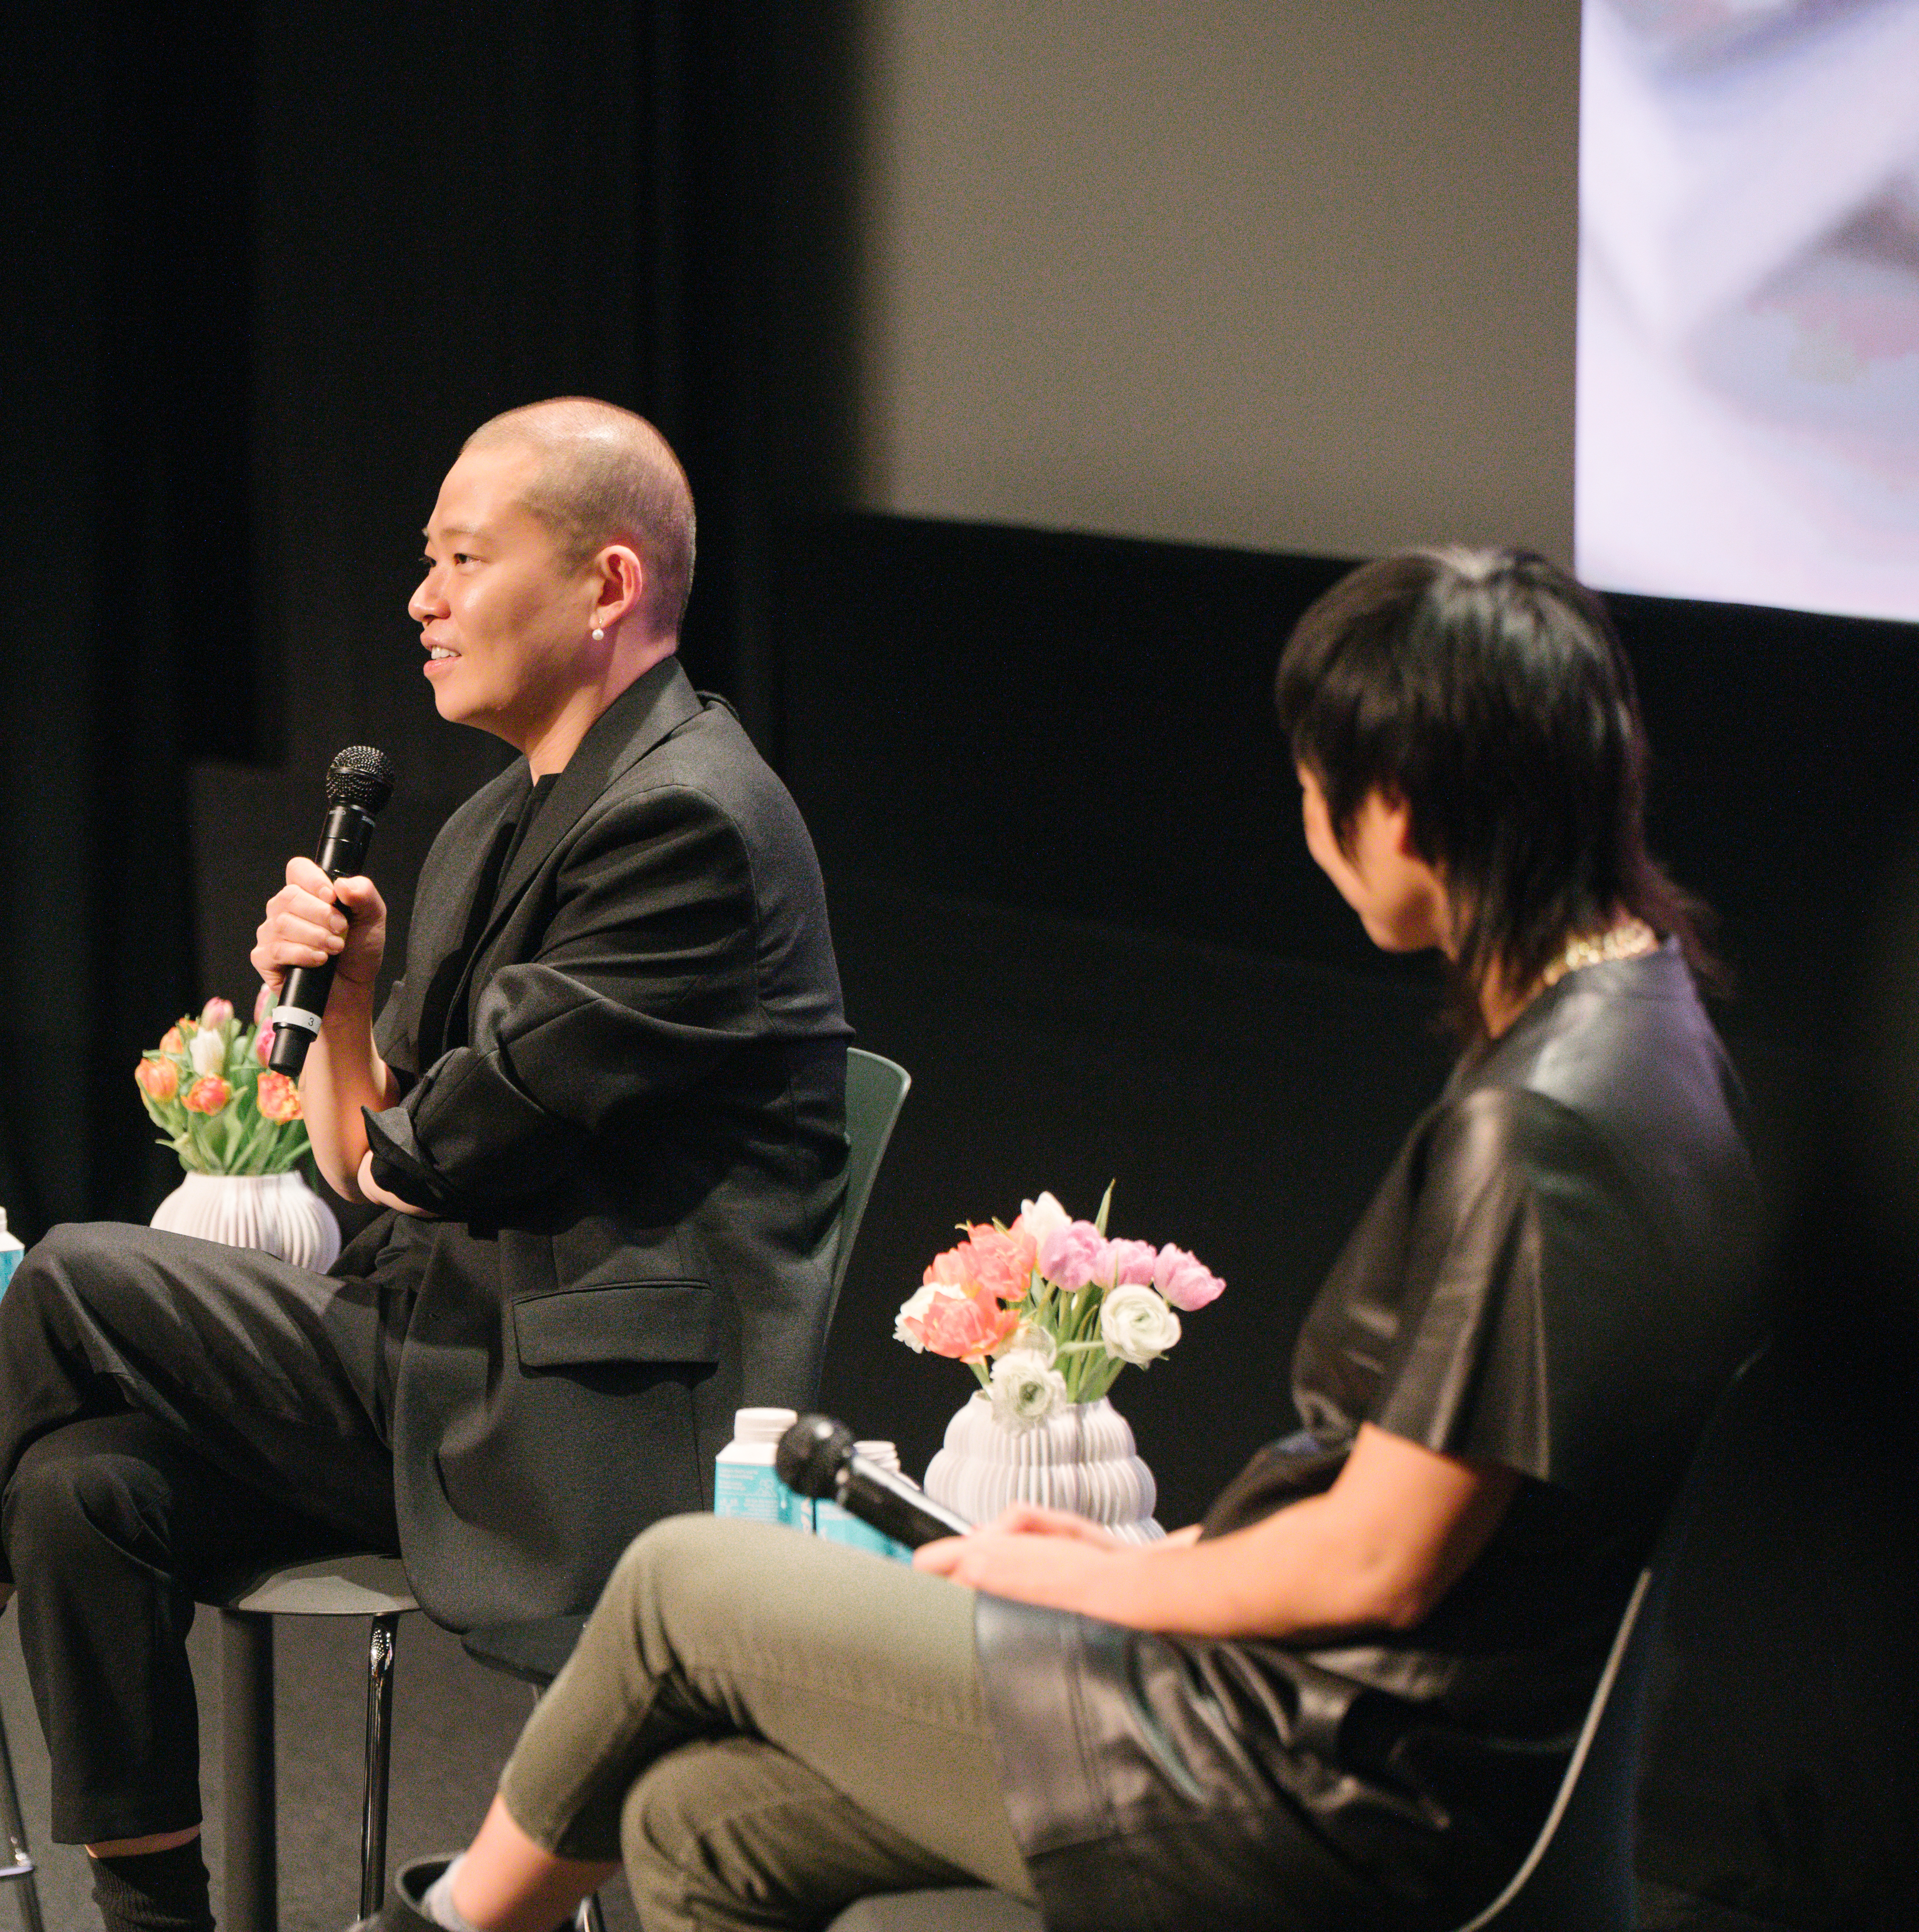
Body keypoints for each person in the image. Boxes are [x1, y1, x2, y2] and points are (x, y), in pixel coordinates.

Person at [0, 398, 851, 1932]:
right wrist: (357, 1007)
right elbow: (379, 1159)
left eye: (459, 561)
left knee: (77, 1276)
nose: (420, 601)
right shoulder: (511, 810)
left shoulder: (685, 821)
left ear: (608, 585)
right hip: (439, 1356)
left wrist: (378, 1069)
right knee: (76, 1488)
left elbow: (422, 1164)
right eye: (421, 563)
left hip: (581, 1415)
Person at [336, 547, 1766, 1932]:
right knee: (699, 1823)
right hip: (1368, 1739)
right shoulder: (1654, 1037)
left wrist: (1100, 1577)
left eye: (1319, 783)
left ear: (1398, 806)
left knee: (681, 1582)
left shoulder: (1541, 1131)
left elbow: (1379, 1565)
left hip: (1317, 1774)